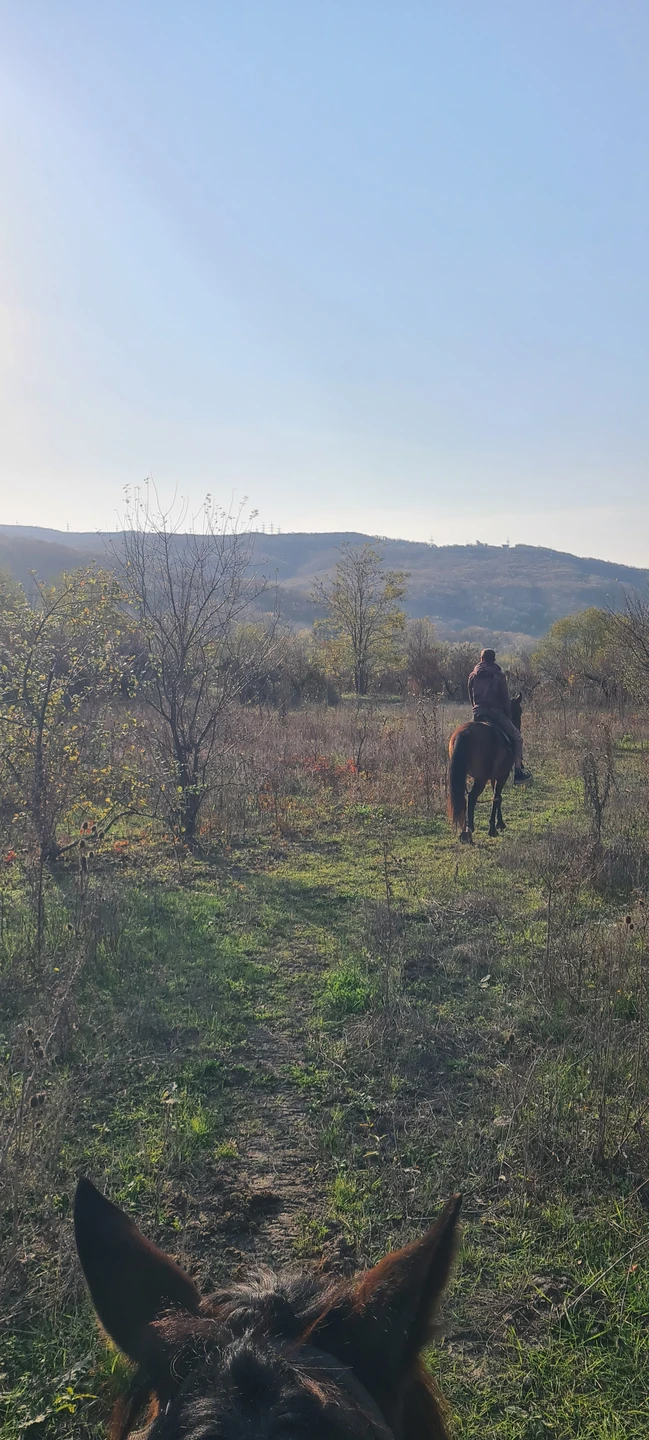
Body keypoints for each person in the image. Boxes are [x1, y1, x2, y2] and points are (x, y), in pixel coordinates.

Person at [467, 649, 531, 783]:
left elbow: (470, 697)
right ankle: (518, 772)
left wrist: (476, 709)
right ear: (494, 659)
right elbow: (505, 698)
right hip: (495, 713)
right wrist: (507, 713)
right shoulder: (499, 675)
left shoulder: (473, 675)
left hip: (477, 713)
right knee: (517, 737)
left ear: (481, 659)